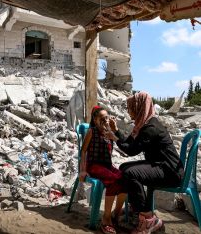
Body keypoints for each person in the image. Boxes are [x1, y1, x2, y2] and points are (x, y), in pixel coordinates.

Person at [105, 91, 184, 234]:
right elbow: (129, 143)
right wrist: (116, 131)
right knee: (124, 168)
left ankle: (148, 219)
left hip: (170, 172)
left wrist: (115, 138)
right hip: (160, 166)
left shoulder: (150, 128)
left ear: (139, 107)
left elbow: (130, 150)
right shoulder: (144, 124)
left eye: (130, 108)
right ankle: (140, 210)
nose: (129, 112)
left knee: (129, 173)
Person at [79, 106, 126, 234]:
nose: (105, 120)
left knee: (127, 178)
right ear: (95, 120)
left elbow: (124, 145)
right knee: (113, 180)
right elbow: (83, 151)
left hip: (107, 165)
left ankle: (115, 214)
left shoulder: (108, 133)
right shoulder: (91, 131)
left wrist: (115, 130)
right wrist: (82, 170)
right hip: (94, 166)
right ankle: (106, 220)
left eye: (107, 117)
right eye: (102, 118)